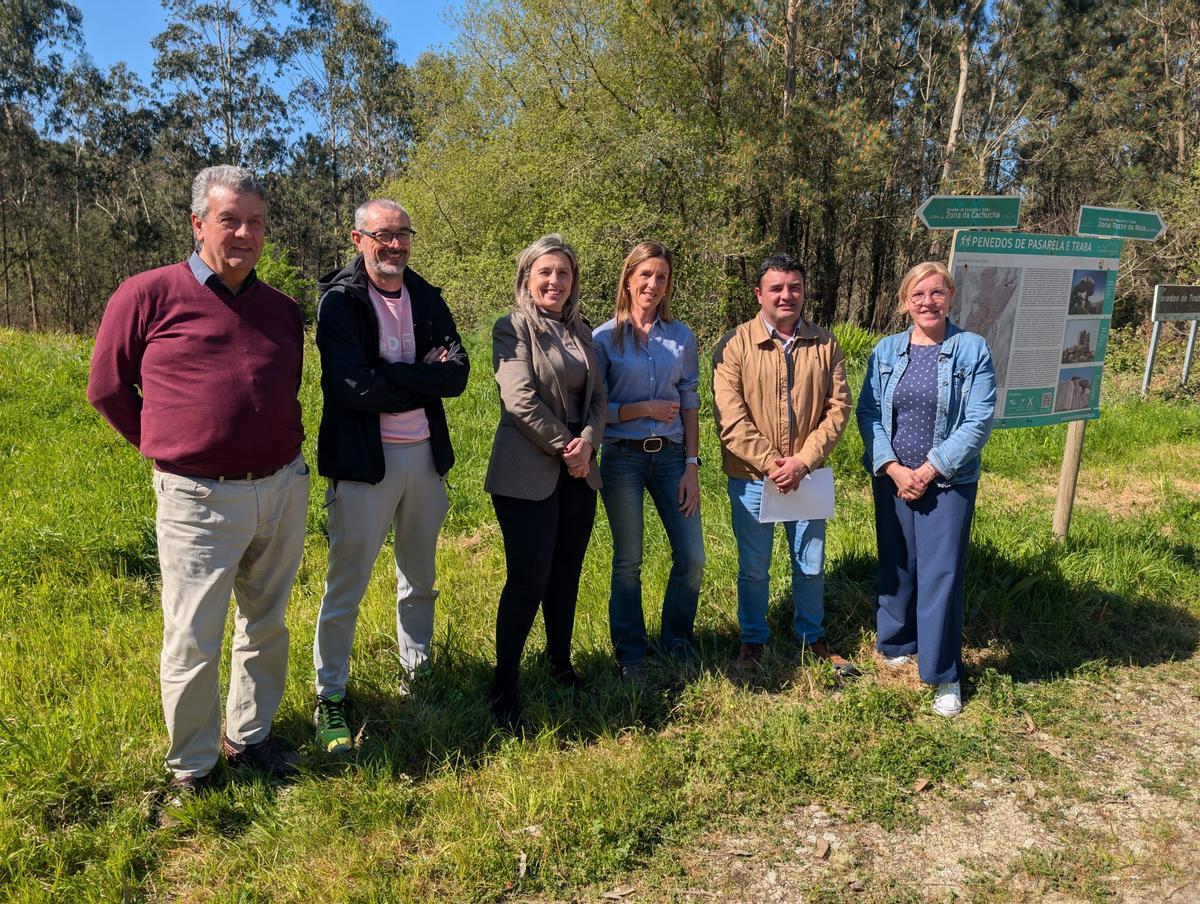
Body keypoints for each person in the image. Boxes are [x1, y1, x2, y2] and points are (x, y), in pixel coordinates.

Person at [87, 165, 308, 808]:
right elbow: (106, 388)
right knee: (192, 636)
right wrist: (168, 448)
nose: (244, 233)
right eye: (229, 220)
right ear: (197, 224)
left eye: (256, 222)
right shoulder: (147, 294)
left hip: (281, 487)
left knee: (265, 624)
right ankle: (192, 764)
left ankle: (250, 735)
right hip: (197, 498)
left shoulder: (282, 310)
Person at [310, 199, 469, 754]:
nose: (394, 244)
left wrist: (394, 377)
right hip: (362, 464)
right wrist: (421, 375)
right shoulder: (339, 303)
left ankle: (417, 671)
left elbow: (458, 377)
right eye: (383, 235)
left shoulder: (427, 297)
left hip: (424, 459)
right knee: (346, 586)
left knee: (419, 577)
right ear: (358, 239)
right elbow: (352, 389)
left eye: (403, 233)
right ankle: (330, 695)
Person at [856, 261, 995, 717]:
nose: (927, 302)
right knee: (898, 562)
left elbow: (978, 419)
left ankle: (944, 674)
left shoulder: (971, 349)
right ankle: (897, 640)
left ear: (950, 297)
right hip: (893, 478)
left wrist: (930, 469)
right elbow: (869, 412)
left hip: (948, 481)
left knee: (942, 575)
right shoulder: (887, 351)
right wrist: (893, 468)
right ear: (904, 302)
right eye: (918, 295)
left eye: (936, 293)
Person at [484, 234, 606, 728]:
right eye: (545, 273)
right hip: (527, 472)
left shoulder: (583, 331)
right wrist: (568, 447)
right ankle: (505, 682)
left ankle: (559, 663)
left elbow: (599, 398)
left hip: (579, 472)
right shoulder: (511, 329)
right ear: (527, 279)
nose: (554, 281)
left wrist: (589, 443)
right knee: (528, 580)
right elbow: (520, 401)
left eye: (563, 273)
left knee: (566, 574)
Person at [712, 254, 854, 674]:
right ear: (759, 294)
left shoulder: (826, 343)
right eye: (776, 288)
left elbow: (839, 408)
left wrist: (803, 462)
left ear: (803, 292)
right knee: (754, 569)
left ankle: (812, 636)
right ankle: (753, 639)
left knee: (810, 563)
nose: (786, 295)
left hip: (807, 478)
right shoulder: (734, 344)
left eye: (794, 287)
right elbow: (729, 417)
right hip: (753, 478)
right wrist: (775, 464)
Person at [593, 242, 704, 678]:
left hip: (673, 458)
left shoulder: (681, 337)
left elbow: (691, 401)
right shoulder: (604, 338)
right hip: (621, 458)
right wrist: (641, 409)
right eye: (646, 276)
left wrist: (693, 465)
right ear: (628, 279)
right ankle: (631, 654)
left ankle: (676, 641)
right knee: (628, 560)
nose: (653, 285)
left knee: (692, 556)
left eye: (661, 277)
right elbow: (595, 412)